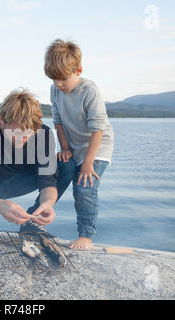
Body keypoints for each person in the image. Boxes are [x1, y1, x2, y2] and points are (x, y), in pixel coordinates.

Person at [0, 88, 76, 240]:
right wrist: (1, 206)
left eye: (29, 132)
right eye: (16, 132)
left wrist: (48, 203)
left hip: (20, 180)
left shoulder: (44, 134)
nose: (23, 138)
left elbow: (48, 181)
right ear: (2, 122)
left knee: (66, 165)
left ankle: (32, 223)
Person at [44, 39, 114, 250]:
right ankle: (35, 219)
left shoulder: (89, 92)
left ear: (78, 70)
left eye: (63, 79)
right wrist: (64, 148)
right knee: (58, 176)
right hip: (73, 146)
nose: (58, 84)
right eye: (54, 79)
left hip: (97, 147)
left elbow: (98, 130)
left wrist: (87, 163)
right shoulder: (55, 90)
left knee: (84, 188)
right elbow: (57, 121)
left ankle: (86, 235)